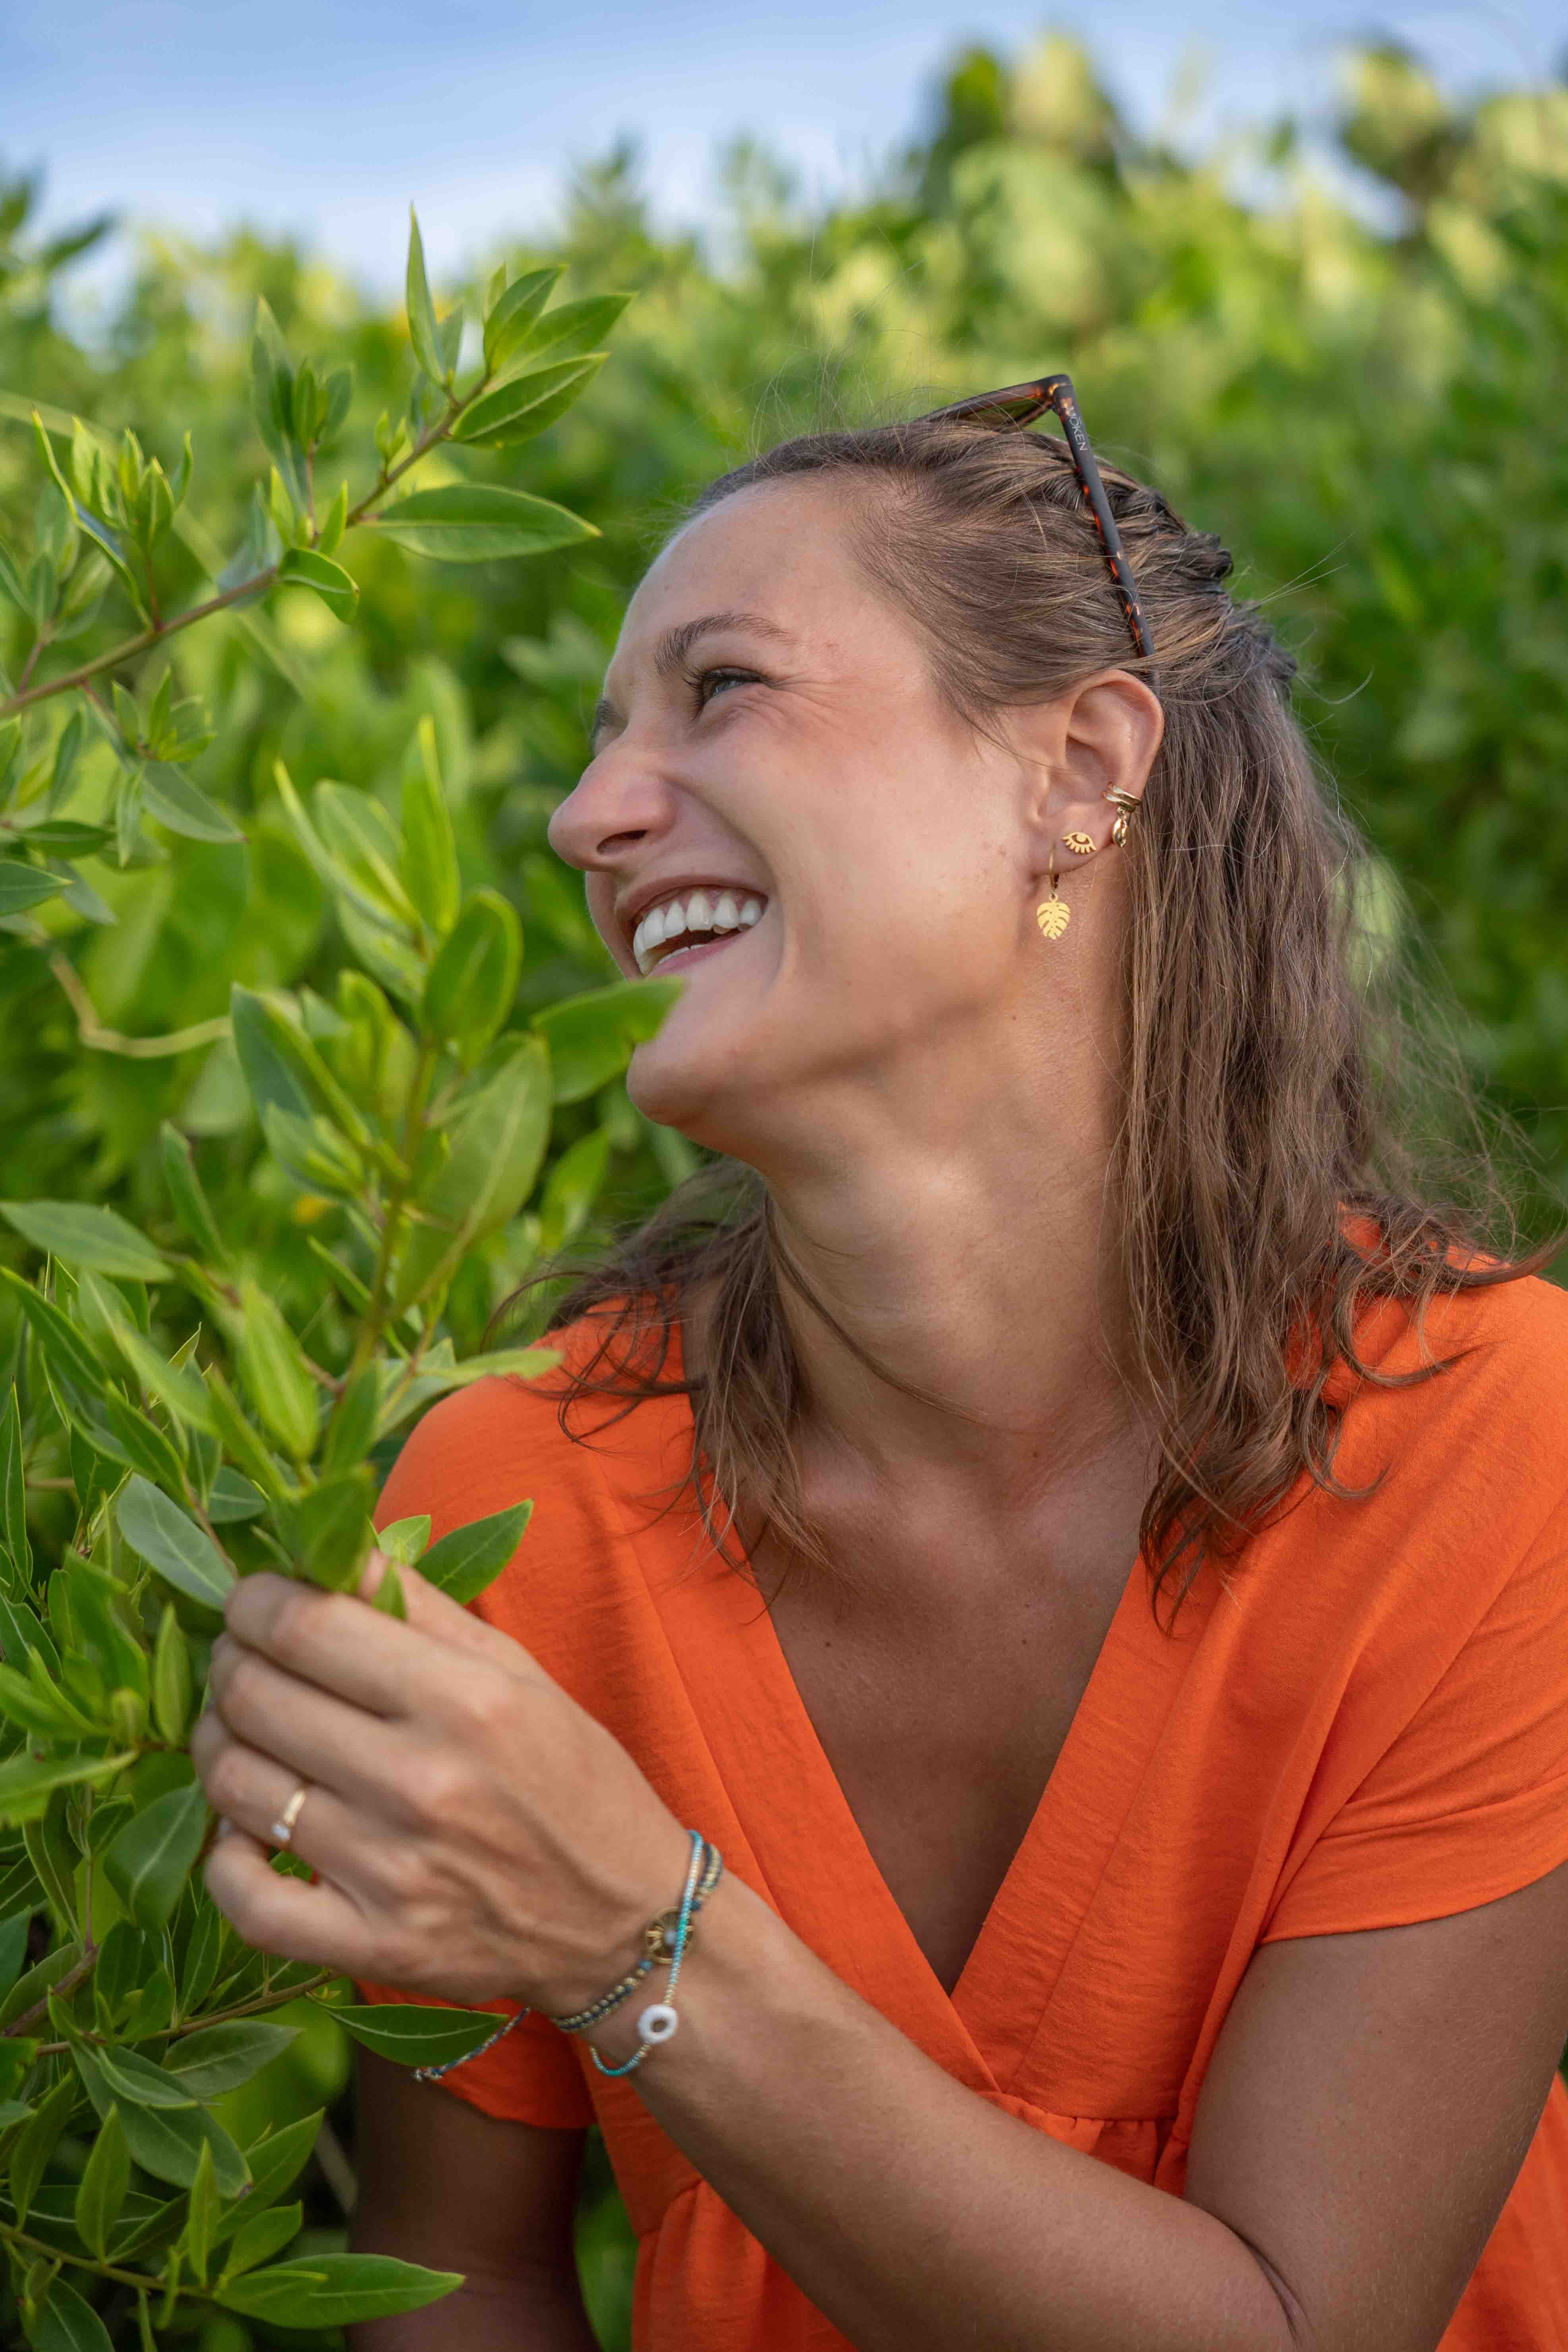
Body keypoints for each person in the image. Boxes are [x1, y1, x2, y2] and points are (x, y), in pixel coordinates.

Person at [192, 384, 1568, 2352]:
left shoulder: (1495, 1433)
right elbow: (450, 2271)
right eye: (597, 744)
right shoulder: (507, 1496)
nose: (589, 817)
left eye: (721, 689)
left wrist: (631, 1933)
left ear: (1077, 768)